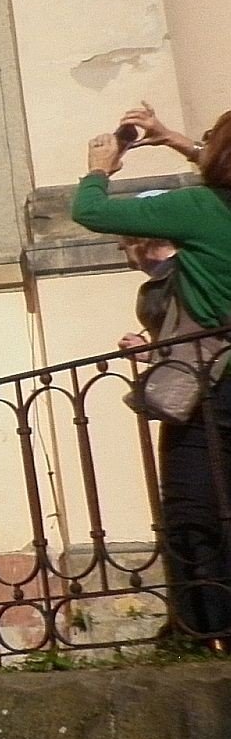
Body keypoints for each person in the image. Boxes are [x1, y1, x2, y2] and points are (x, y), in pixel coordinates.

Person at [74, 108, 231, 642]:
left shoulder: (200, 208)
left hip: (215, 383)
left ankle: (200, 628)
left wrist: (100, 167)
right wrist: (176, 140)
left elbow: (89, 211)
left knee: (191, 508)